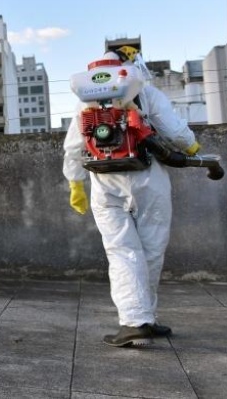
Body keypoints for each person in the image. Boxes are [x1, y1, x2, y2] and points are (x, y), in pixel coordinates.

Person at [63, 46, 201, 348]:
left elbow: (74, 148)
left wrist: (76, 184)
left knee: (122, 250)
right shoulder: (146, 93)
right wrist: (192, 148)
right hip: (148, 179)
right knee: (152, 249)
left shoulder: (85, 104)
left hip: (105, 182)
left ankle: (137, 321)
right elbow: (175, 130)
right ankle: (141, 319)